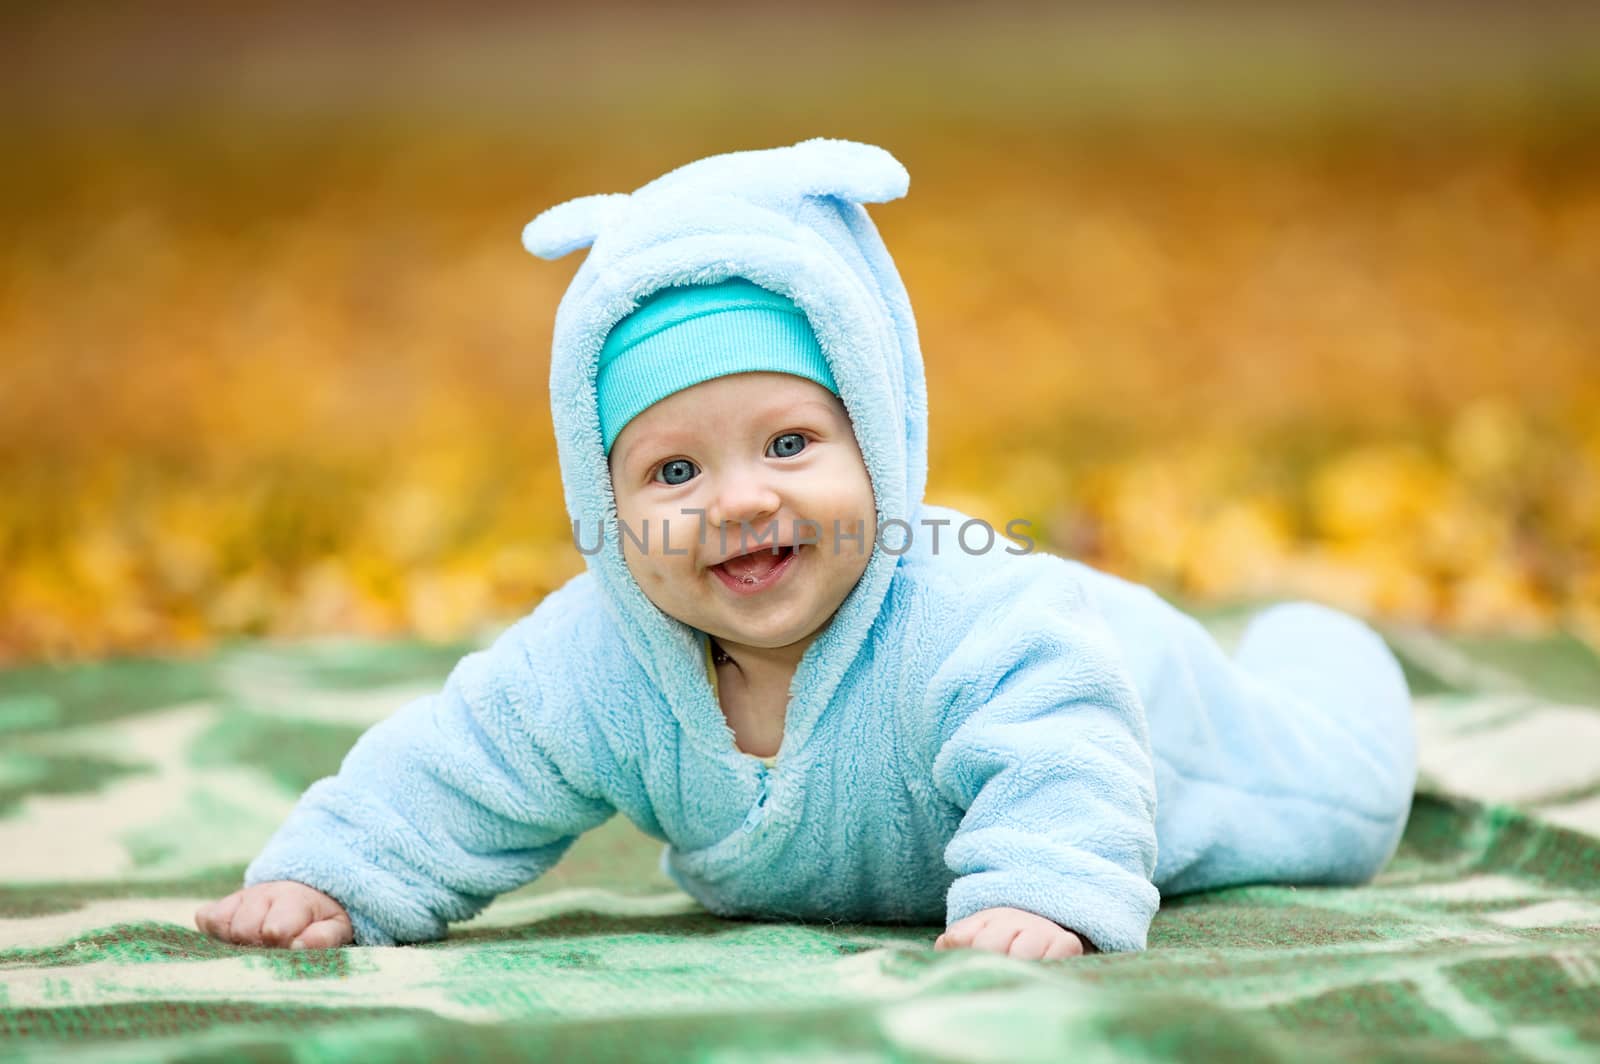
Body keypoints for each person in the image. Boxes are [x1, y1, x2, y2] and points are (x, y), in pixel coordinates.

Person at [195, 137, 1417, 960]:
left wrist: (1040, 887)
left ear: (876, 446)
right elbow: (467, 761)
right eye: (674, 471)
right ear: (603, 500)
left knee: (1344, 793)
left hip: (1163, 714)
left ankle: (1326, 644)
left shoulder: (975, 617)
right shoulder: (601, 657)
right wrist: (336, 875)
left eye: (788, 443)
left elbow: (1065, 735)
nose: (737, 500)